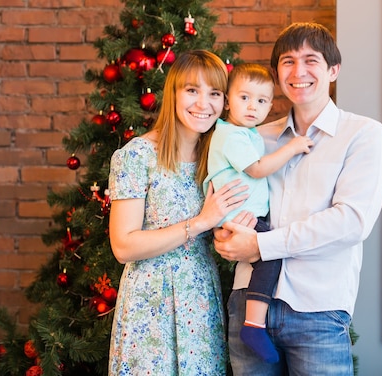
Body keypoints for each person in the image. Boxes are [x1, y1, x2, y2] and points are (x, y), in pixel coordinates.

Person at [214, 22, 382, 375]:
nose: (299, 72)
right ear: (276, 74)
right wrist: (221, 233)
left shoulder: (364, 136)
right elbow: (222, 188)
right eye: (287, 61)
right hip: (247, 303)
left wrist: (261, 246)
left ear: (333, 70)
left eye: (311, 60)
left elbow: (351, 222)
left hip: (318, 310)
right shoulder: (254, 137)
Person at [106, 50, 249, 375]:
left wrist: (235, 227)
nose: (204, 104)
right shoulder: (137, 156)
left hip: (199, 302)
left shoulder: (218, 157)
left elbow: (225, 228)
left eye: (214, 93)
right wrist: (200, 222)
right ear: (173, 93)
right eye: (192, 90)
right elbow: (123, 246)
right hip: (149, 303)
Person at [204, 63, 313, 364]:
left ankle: (254, 323)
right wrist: (292, 148)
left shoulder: (246, 133)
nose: (253, 107)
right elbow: (258, 168)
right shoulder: (231, 135)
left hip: (245, 216)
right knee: (271, 255)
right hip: (238, 217)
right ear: (227, 101)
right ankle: (253, 325)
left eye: (262, 101)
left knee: (267, 258)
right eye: (245, 98)